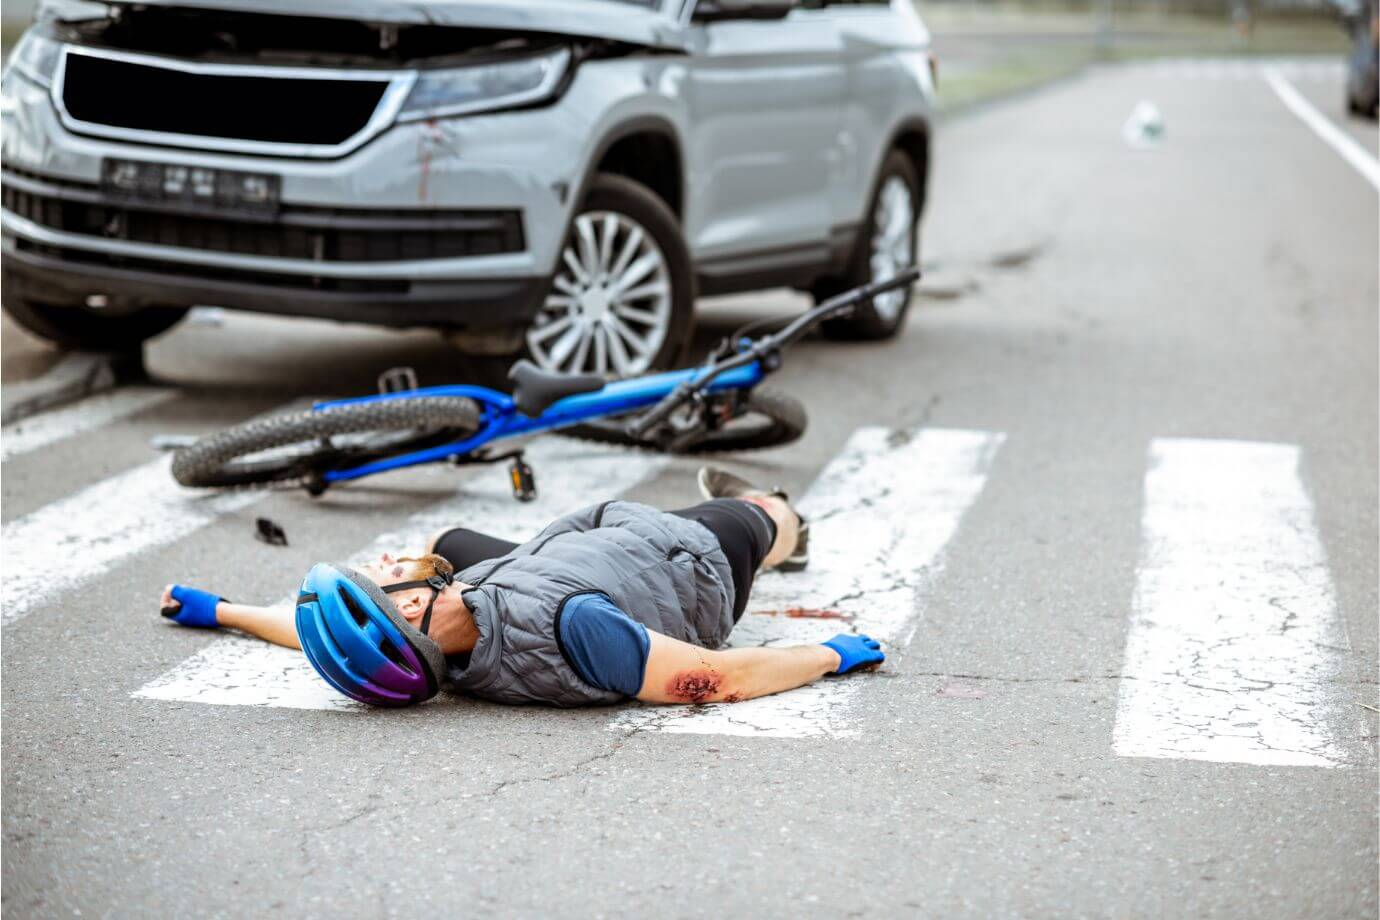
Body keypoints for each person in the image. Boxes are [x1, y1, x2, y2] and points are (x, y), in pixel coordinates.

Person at [159, 467, 885, 708]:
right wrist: (830, 653)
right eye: (377, 577)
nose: (380, 561)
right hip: (682, 563)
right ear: (412, 606)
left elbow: (323, 635)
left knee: (446, 544)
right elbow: (710, 678)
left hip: (547, 565)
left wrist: (219, 610)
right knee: (756, 518)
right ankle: (783, 518)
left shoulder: (437, 648)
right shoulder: (580, 630)